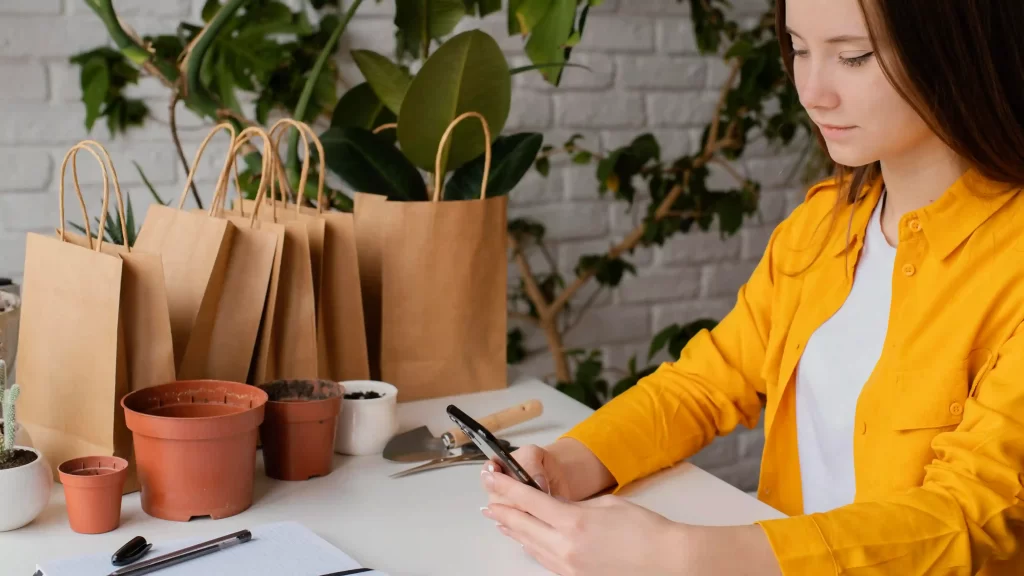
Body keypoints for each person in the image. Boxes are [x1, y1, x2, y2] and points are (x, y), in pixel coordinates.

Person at [478, 0, 1024, 574]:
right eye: (799, 50)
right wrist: (569, 463)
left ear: (957, 53)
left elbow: (972, 513)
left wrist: (678, 555)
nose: (812, 92)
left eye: (853, 57)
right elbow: (705, 382)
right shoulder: (820, 227)